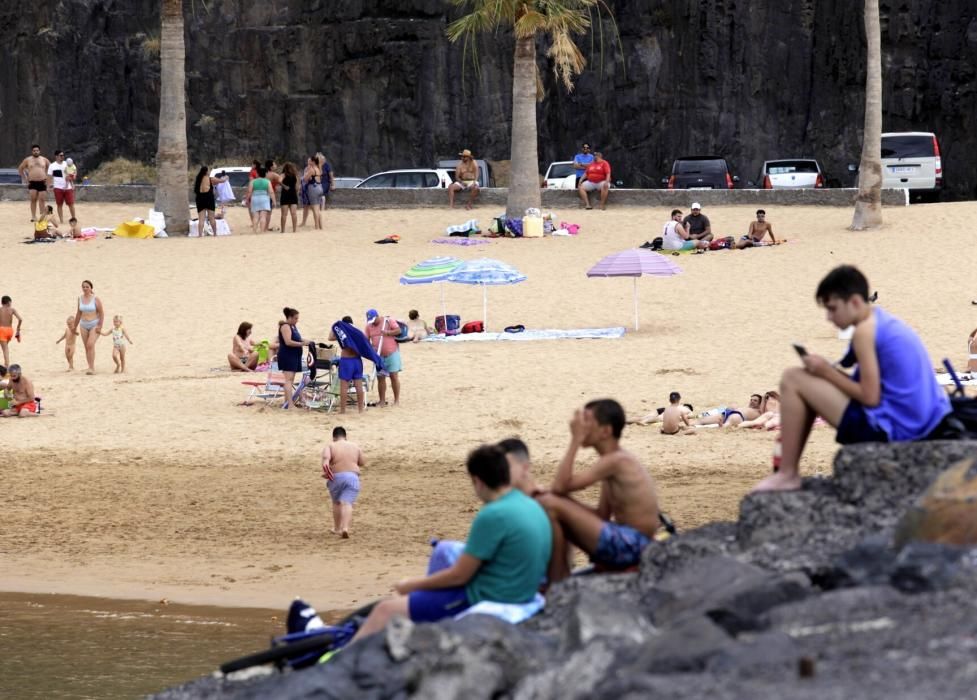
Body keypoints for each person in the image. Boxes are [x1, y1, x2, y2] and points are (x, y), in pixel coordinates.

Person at [753, 265, 952, 492]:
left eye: (833, 309)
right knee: (809, 381)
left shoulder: (864, 332)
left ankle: (787, 473)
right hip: (921, 425)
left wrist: (827, 372)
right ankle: (787, 469)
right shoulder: (885, 322)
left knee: (793, 378)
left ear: (855, 302)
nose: (829, 317)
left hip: (894, 433)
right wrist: (827, 371)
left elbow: (869, 396)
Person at [350, 444, 552, 643]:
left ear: (477, 481)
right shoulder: (530, 505)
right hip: (522, 592)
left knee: (386, 610)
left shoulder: (493, 515)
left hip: (488, 596)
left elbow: (460, 576)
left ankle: (335, 664)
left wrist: (411, 585)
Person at [537, 399, 659, 582]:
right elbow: (602, 514)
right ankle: (560, 575)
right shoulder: (613, 461)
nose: (582, 426)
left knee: (550, 503)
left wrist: (575, 440)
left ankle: (557, 581)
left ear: (605, 431)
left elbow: (559, 487)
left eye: (587, 421)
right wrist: (564, 504)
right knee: (552, 501)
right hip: (632, 542)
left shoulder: (616, 461)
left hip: (634, 545)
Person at [321, 426, 364, 538]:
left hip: (337, 477)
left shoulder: (330, 446)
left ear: (334, 437)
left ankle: (336, 528)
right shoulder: (355, 446)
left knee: (336, 503)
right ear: (345, 436)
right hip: (352, 477)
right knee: (347, 503)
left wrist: (328, 474)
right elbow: (362, 462)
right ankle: (345, 528)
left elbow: (326, 461)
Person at [364, 309, 402, 407]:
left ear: (377, 316)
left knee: (394, 376)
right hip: (378, 356)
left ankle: (396, 400)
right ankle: (382, 401)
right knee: (380, 378)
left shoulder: (388, 321)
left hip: (392, 353)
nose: (372, 323)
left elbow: (398, 330)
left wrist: (387, 333)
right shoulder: (369, 327)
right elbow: (366, 340)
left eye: (373, 320)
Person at [277, 307, 309, 410]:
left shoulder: (293, 326)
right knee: (288, 380)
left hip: (294, 355)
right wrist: (301, 344)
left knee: (291, 379)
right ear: (289, 317)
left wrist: (307, 342)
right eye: (295, 318)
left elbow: (298, 338)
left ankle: (287, 403)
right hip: (287, 355)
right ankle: (290, 404)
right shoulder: (285, 326)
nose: (297, 320)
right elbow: (288, 341)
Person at [72, 279, 104, 375]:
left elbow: (101, 313)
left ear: (91, 288)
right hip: (83, 324)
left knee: (90, 344)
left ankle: (92, 368)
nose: (85, 288)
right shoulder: (80, 298)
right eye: (83, 287)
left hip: (94, 323)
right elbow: (78, 313)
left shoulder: (95, 299)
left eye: (87, 287)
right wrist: (74, 326)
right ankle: (89, 366)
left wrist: (100, 326)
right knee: (87, 347)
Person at [691, 393, 764, 428]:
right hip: (728, 412)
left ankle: (697, 426)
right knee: (703, 420)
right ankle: (692, 421)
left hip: (737, 416)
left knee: (722, 425)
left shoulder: (758, 412)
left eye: (755, 400)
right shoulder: (744, 407)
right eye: (751, 400)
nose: (752, 401)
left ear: (760, 403)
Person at [18, 144, 50, 222]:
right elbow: (20, 169)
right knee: (33, 199)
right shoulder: (27, 160)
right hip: (32, 182)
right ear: (32, 151)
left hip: (42, 182)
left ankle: (42, 216)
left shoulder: (44, 160)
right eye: (34, 151)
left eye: (37, 150)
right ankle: (33, 216)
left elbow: (51, 169)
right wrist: (25, 178)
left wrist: (48, 179)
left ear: (39, 151)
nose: (36, 152)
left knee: (42, 199)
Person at [193, 166, 225, 236]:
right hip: (209, 198)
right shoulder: (211, 179)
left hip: (200, 199)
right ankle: (215, 233)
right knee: (211, 218)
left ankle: (200, 235)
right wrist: (226, 177)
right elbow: (221, 181)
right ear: (206, 171)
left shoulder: (198, 179)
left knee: (201, 219)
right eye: (209, 170)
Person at [47, 150, 76, 224]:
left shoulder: (67, 164)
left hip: (68, 187)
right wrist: (49, 186)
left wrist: (72, 179)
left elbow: (74, 172)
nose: (63, 157)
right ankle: (61, 220)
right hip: (57, 187)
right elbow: (49, 176)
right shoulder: (52, 165)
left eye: (63, 155)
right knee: (59, 204)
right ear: (56, 156)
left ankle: (73, 218)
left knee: (71, 204)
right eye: (61, 155)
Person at [246, 166, 273, 233]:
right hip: (264, 199)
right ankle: (262, 231)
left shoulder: (253, 181)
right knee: (263, 216)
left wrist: (247, 200)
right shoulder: (267, 181)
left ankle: (254, 231)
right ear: (265, 174)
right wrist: (274, 201)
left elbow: (249, 191)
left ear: (258, 174)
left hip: (255, 199)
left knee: (255, 216)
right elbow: (271, 192)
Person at [301, 156, 323, 229]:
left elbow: (305, 179)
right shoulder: (318, 169)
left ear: (313, 161)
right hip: (320, 187)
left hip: (313, 188)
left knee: (315, 209)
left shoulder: (311, 169)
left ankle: (316, 226)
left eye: (310, 161)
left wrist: (306, 174)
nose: (309, 162)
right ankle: (320, 226)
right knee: (318, 209)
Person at [0, 296, 23, 366]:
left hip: (1, 330)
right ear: (9, 302)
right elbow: (20, 319)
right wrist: (18, 329)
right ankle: (5, 366)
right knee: (5, 347)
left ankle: (6, 368)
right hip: (10, 331)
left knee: (5, 350)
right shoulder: (12, 310)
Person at [278, 162, 299, 232]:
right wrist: (296, 191)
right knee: (293, 213)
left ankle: (283, 230)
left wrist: (284, 186)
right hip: (293, 194)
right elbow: (297, 187)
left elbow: (279, 181)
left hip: (286, 194)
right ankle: (294, 230)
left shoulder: (283, 175)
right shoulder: (295, 175)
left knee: (284, 214)